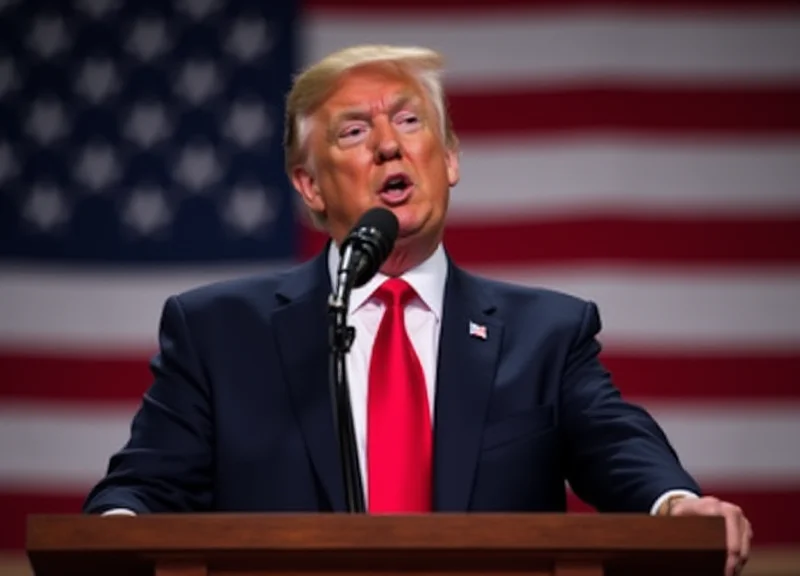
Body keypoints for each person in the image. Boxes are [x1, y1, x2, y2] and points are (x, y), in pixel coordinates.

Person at [83, 45, 752, 575]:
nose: (388, 144)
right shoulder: (218, 332)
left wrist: (677, 504)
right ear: (309, 185)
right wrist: (113, 535)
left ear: (449, 158)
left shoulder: (547, 332)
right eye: (353, 130)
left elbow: (615, 444)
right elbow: (142, 490)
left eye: (408, 120)